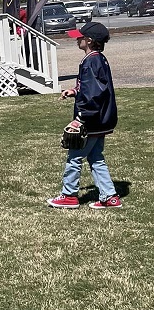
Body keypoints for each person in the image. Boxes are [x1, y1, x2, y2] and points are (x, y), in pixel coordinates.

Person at [47, 21, 121, 209]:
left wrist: (80, 118)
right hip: (101, 119)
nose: (76, 39)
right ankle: (109, 197)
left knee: (74, 157)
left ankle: (69, 195)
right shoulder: (99, 59)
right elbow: (94, 88)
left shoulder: (91, 61)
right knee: (96, 157)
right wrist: (74, 91)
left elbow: (93, 94)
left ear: (89, 40)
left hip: (91, 120)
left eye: (80, 37)